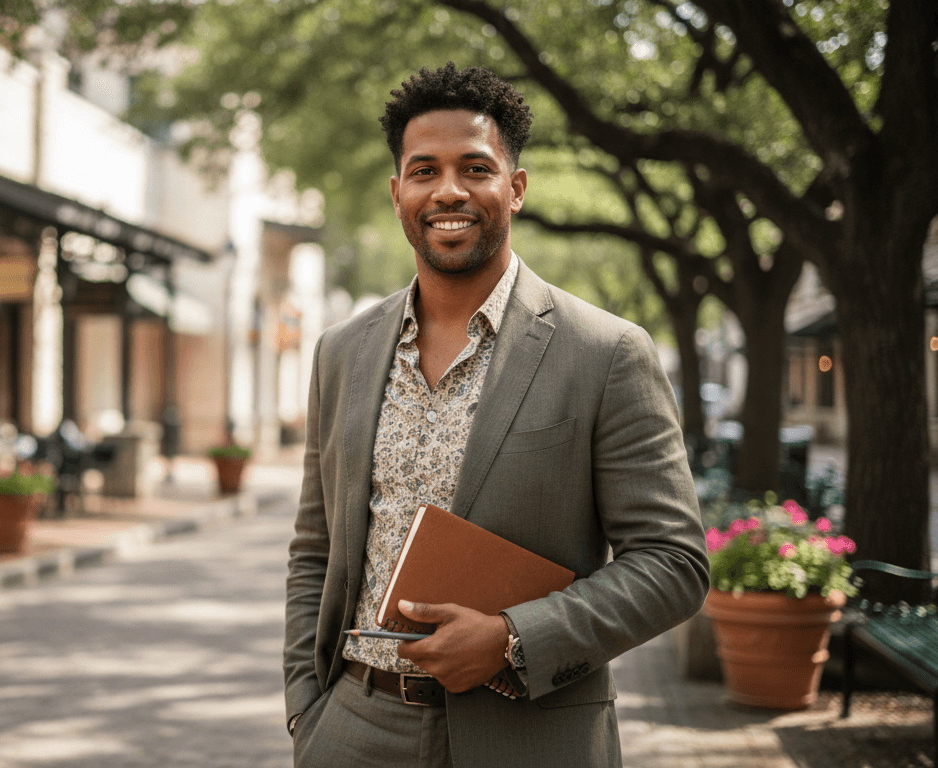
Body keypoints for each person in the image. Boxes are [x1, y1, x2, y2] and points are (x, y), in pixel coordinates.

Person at [283, 62, 710, 767]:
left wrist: (514, 636)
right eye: (424, 170)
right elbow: (315, 550)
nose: (448, 190)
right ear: (398, 194)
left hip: (530, 736)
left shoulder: (606, 352)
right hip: (353, 728)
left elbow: (673, 563)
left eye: (475, 168)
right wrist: (307, 710)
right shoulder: (342, 353)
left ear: (514, 187)